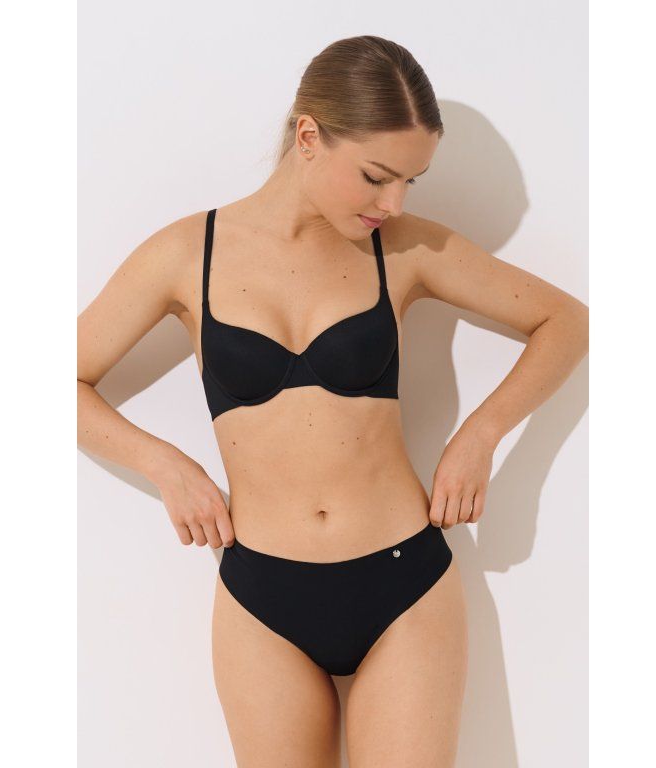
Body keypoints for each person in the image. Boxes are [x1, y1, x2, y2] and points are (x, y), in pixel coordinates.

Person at [77, 34, 589, 768]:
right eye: (377, 176)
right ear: (309, 135)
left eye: (411, 181)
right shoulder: (188, 254)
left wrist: (482, 434)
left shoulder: (402, 248)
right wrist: (163, 464)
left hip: (404, 584)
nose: (394, 202)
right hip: (262, 594)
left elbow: (565, 321)